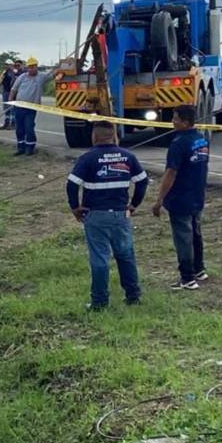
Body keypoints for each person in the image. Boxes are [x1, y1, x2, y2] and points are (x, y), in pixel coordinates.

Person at [67, 121, 150, 310]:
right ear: (114, 136)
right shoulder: (128, 156)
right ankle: (133, 295)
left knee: (99, 259)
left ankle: (99, 301)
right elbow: (143, 181)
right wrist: (134, 204)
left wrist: (75, 207)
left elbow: (72, 184)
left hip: (95, 215)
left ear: (94, 137)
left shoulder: (88, 158)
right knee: (126, 255)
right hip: (121, 214)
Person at [152, 106, 210, 290]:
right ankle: (199, 269)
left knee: (183, 236)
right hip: (197, 194)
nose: (172, 121)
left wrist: (159, 199)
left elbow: (171, 173)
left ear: (185, 122)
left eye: (176, 118)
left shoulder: (179, 143)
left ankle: (187, 278)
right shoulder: (201, 139)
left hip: (180, 197)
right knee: (195, 232)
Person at [8, 57, 62, 155]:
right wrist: (10, 101)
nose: (32, 69)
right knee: (19, 128)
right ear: (27, 67)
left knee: (29, 127)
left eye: (33, 67)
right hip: (19, 106)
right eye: (30, 67)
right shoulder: (22, 77)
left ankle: (30, 148)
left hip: (31, 108)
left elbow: (53, 74)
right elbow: (14, 89)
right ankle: (21, 147)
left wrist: (61, 65)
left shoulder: (41, 77)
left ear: (36, 67)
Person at [0, 60, 20, 130]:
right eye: (5, 64)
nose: (6, 66)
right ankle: (7, 123)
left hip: (12, 92)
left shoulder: (15, 72)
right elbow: (1, 81)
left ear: (11, 65)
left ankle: (13, 124)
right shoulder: (4, 72)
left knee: (12, 109)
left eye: (7, 64)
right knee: (6, 108)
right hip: (5, 91)